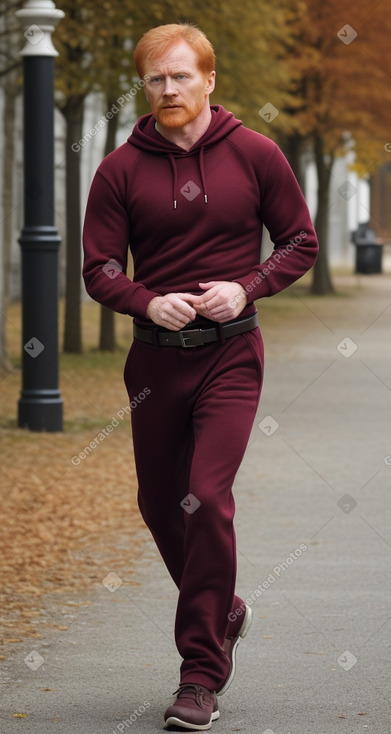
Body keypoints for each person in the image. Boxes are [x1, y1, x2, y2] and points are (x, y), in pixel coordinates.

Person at [82, 23, 319, 731]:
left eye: (181, 76)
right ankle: (224, 607)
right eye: (156, 78)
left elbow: (299, 240)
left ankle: (198, 675)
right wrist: (146, 299)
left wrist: (247, 286)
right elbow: (98, 269)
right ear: (144, 86)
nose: (169, 90)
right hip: (153, 360)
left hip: (230, 356)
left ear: (209, 80)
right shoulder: (119, 168)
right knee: (161, 507)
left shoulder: (255, 153)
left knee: (204, 497)